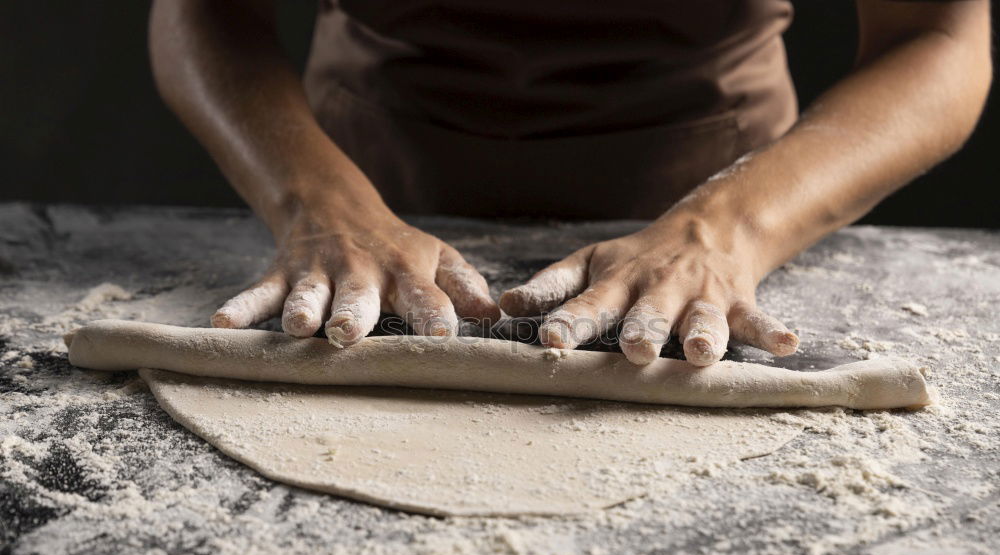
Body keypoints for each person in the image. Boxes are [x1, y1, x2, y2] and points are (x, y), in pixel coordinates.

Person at [149, 0, 991, 366]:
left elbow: (938, 35)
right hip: (367, 203)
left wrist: (728, 229)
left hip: (718, 203)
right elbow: (207, 10)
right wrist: (315, 202)